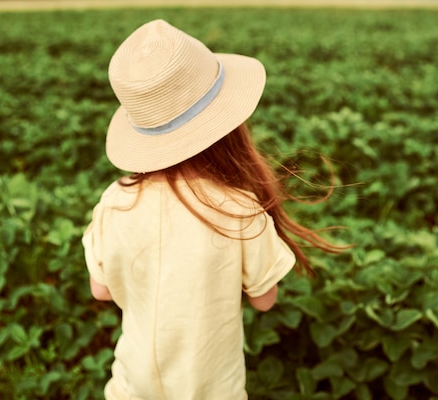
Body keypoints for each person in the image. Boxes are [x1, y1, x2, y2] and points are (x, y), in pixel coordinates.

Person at [82, 19, 345, 400]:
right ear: (227, 127)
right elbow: (264, 299)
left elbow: (100, 289)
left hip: (130, 385)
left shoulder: (115, 200)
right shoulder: (240, 209)